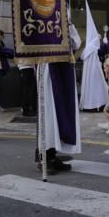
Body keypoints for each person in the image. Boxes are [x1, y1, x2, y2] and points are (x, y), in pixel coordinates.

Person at [36, 19, 81, 175]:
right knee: (49, 114)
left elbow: (76, 43)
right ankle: (44, 156)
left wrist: (68, 26)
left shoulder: (66, 22)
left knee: (61, 114)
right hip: (48, 68)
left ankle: (52, 154)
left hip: (64, 68)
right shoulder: (39, 22)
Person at [79, 0, 108, 111]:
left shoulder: (89, 48)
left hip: (92, 72)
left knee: (93, 87)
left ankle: (91, 104)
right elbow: (102, 51)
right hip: (95, 72)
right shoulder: (93, 48)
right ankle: (97, 104)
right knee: (98, 87)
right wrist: (105, 44)